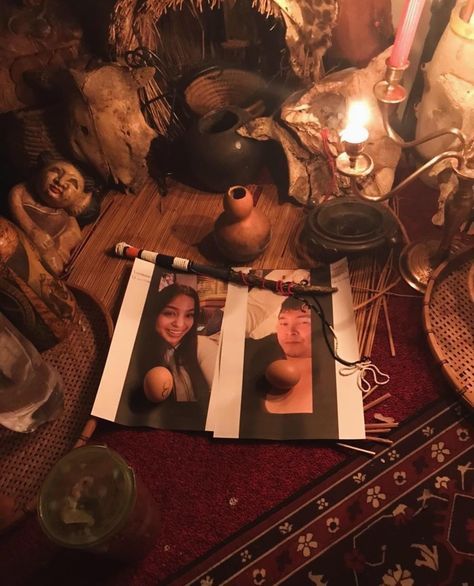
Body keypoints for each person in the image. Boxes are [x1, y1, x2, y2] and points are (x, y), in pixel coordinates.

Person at [8, 159, 96, 275]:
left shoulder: (65, 212)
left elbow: (74, 233)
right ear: (42, 170)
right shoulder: (21, 192)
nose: (60, 181)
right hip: (28, 239)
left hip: (52, 243)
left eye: (72, 183)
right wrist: (33, 231)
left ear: (78, 199)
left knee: (56, 266)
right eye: (56, 171)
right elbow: (18, 212)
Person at [242, 296, 314, 416]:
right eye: (284, 323)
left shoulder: (331, 381)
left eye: (304, 322)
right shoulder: (254, 354)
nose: (290, 331)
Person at [148, 283, 210, 402]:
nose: (180, 324)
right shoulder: (135, 351)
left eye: (189, 315)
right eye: (170, 313)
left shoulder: (202, 346)